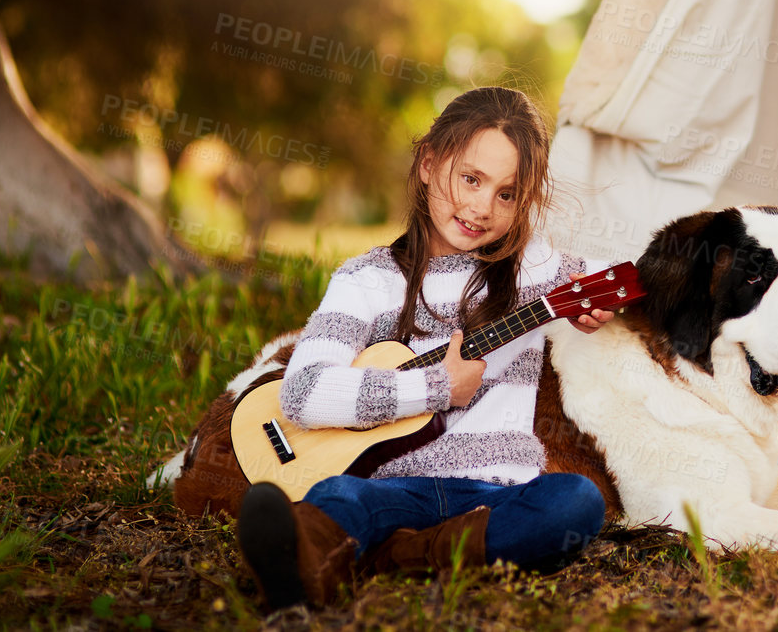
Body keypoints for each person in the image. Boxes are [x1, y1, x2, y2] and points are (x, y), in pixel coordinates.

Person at [236, 86, 614, 611]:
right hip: (387, 488)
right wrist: (434, 387)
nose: (483, 207)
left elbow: (616, 277)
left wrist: (604, 305)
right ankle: (307, 564)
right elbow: (303, 393)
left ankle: (396, 556)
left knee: (574, 502)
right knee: (338, 500)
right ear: (428, 164)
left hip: (494, 492)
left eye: (507, 194)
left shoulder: (538, 272)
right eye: (471, 179)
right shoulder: (367, 280)